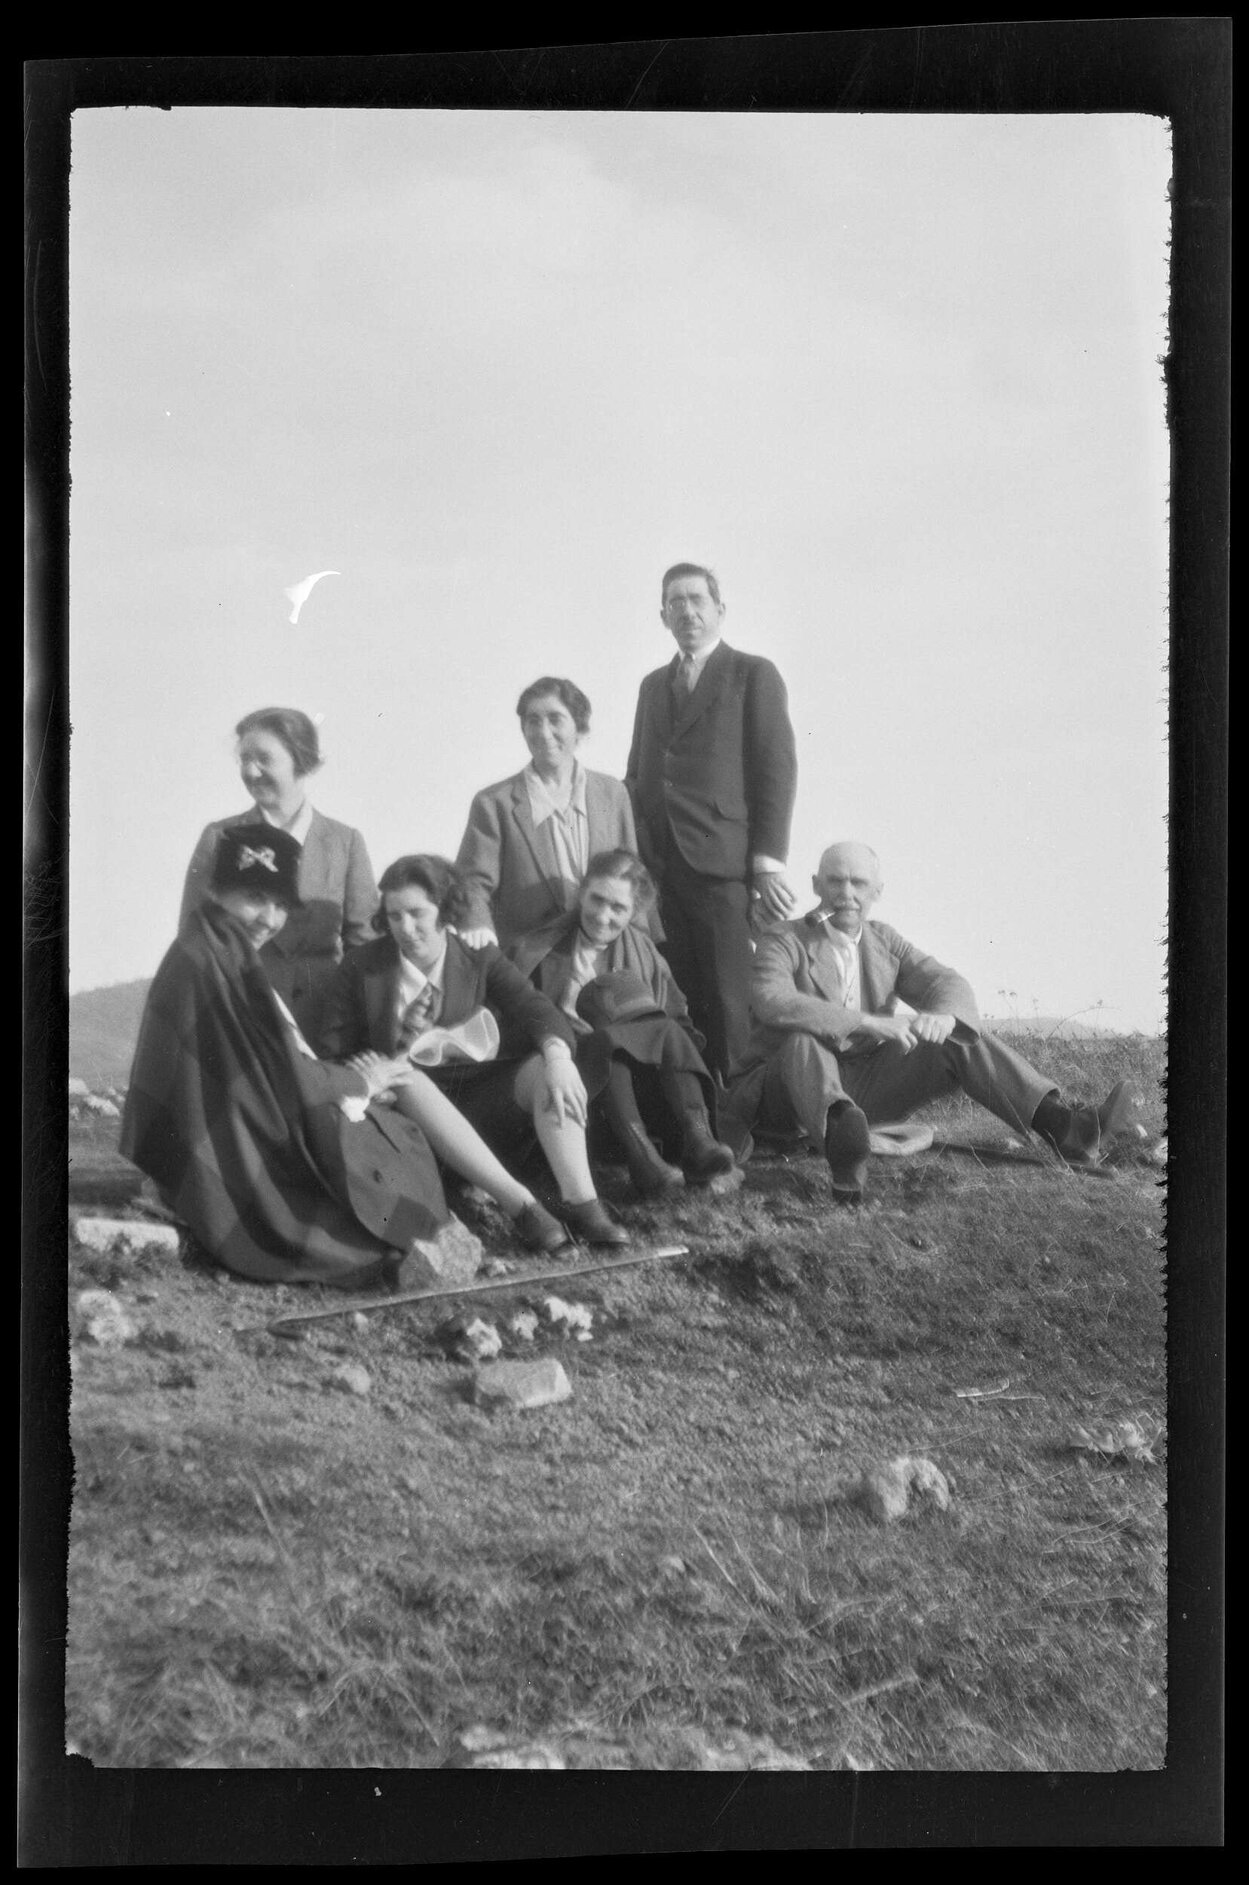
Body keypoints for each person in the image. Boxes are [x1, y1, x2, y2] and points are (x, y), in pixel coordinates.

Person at [121, 825, 459, 1289]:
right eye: (256, 897)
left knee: (388, 1138)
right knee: (385, 1155)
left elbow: (267, 1067)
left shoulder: (216, 949)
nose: (270, 918)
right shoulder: (209, 960)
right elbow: (283, 1078)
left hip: (212, 1127)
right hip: (227, 1137)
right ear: (218, 890)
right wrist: (363, 1081)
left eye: (281, 905)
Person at [725, 840, 1143, 1204]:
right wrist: (867, 1022)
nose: (846, 894)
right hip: (784, 1096)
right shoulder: (785, 938)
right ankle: (843, 1152)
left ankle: (1067, 1128)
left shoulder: (884, 941)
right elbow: (771, 1000)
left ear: (877, 892)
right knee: (802, 1041)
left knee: (958, 1035)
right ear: (816, 885)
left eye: (859, 884)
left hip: (857, 1091)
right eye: (835, 882)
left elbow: (946, 981)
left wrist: (943, 1017)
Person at [318, 854, 630, 1248]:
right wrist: (366, 1076)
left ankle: (584, 1204)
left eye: (417, 913)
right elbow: (332, 1053)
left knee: (543, 1069)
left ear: (445, 909)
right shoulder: (362, 965)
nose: (406, 928)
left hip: (478, 1100)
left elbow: (537, 1010)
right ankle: (523, 1208)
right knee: (406, 1075)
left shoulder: (478, 958)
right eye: (394, 916)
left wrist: (558, 1056)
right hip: (407, 1112)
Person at [625, 563, 798, 1082]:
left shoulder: (752, 673)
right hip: (660, 867)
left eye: (696, 599)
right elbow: (637, 772)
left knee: (727, 998)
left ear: (719, 609)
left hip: (722, 863)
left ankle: (738, 1121)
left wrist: (767, 862)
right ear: (662, 615)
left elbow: (776, 766)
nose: (687, 611)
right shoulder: (653, 686)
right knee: (678, 992)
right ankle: (694, 1118)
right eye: (675, 602)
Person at [509, 850, 739, 1197]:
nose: (603, 916)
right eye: (597, 900)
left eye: (618, 908)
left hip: (643, 1091)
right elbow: (518, 1023)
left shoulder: (646, 952)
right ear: (580, 894)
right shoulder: (537, 949)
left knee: (661, 1028)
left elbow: (679, 1021)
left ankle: (698, 1138)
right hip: (574, 1086)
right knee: (609, 1040)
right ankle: (644, 1158)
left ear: (634, 912)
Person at [180, 707, 377, 1043]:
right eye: (244, 759)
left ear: (300, 759)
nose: (250, 771)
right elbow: (193, 936)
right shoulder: (220, 838)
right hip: (242, 1019)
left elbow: (365, 947)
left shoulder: (345, 843)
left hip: (327, 1025)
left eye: (264, 759)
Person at [455, 677, 643, 951]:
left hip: (605, 950)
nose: (543, 732)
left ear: (579, 728)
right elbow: (471, 883)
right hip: (530, 958)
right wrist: (478, 925)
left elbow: (633, 878)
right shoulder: (494, 803)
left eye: (556, 719)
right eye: (533, 721)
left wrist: (640, 947)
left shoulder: (612, 793)